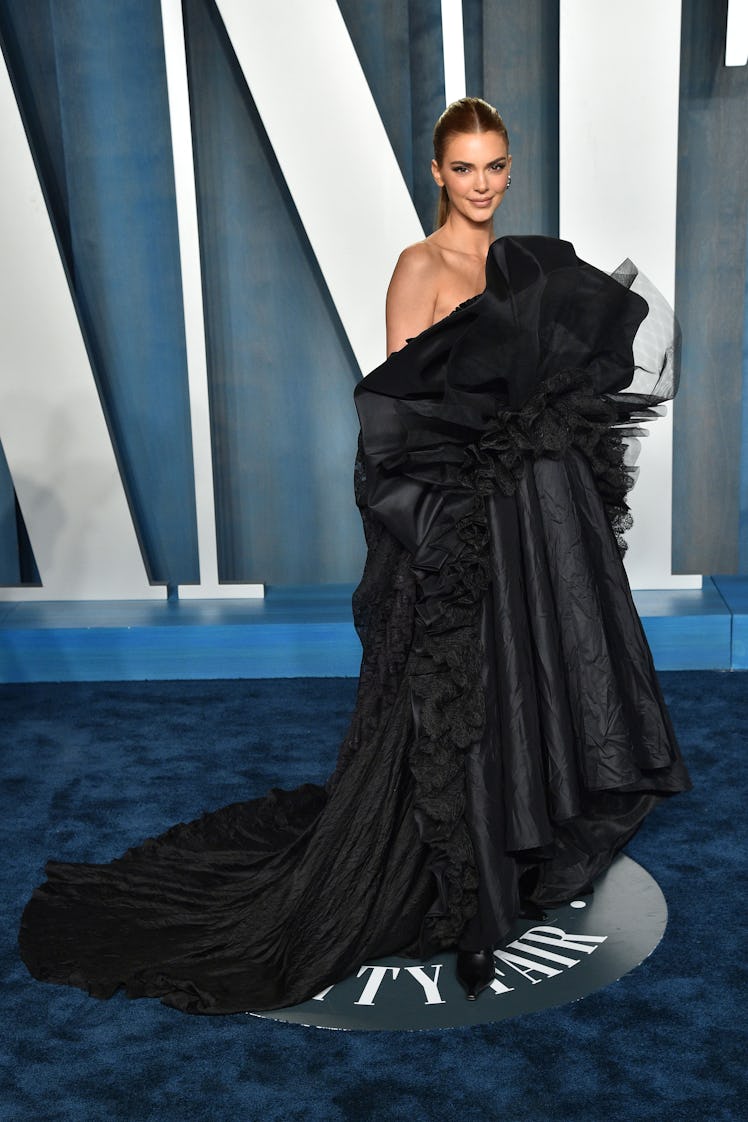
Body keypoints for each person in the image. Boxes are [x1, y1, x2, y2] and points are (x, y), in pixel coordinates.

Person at [18, 98, 691, 1013]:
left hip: (529, 512)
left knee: (530, 674)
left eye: (496, 166)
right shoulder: (418, 268)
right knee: (455, 692)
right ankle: (461, 869)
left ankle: (525, 832)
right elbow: (401, 412)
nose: (483, 184)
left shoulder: (527, 264)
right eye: (465, 168)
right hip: (458, 516)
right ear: (437, 173)